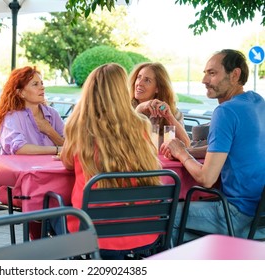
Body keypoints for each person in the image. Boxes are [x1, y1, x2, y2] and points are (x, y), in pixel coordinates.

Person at [161, 49, 265, 244]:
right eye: (205, 73)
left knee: (164, 215)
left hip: (238, 214)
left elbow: (206, 179)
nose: (204, 80)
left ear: (235, 75)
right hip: (260, 219)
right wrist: (189, 151)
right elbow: (228, 146)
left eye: (212, 73)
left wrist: (182, 154)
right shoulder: (258, 102)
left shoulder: (226, 111)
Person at [60, 63, 162, 259]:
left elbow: (68, 163)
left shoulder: (80, 128)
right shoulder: (140, 125)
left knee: (52, 212)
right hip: (143, 231)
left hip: (93, 233)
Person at [0, 66, 65, 208]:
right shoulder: (12, 117)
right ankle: (45, 229)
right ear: (20, 93)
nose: (42, 88)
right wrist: (57, 149)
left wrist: (50, 131)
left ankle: (52, 228)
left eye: (42, 83)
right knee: (53, 201)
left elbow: (69, 144)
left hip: (51, 178)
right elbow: (20, 148)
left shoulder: (52, 114)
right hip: (17, 184)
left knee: (71, 196)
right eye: (35, 84)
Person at [129, 62, 190, 148]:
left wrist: (170, 117)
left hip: (161, 161)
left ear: (157, 88)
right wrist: (139, 109)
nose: (139, 83)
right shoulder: (124, 108)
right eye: (139, 77)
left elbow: (186, 145)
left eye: (147, 80)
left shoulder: (170, 111)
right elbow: (127, 145)